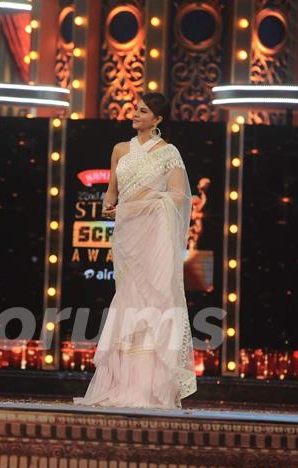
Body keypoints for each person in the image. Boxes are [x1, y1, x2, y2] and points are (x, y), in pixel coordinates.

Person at [75, 92, 197, 408]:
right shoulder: (120, 150)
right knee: (128, 299)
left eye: (143, 111)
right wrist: (108, 205)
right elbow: (112, 193)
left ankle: (150, 389)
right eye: (136, 109)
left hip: (154, 235)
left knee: (155, 299)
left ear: (158, 119)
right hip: (128, 235)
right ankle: (120, 383)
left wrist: (139, 207)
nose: (136, 114)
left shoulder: (168, 153)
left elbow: (178, 197)